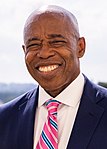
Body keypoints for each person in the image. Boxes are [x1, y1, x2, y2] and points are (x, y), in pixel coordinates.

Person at [0, 5, 107, 149]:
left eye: (56, 42)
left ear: (80, 47)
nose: (44, 53)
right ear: (24, 51)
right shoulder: (4, 119)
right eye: (34, 44)